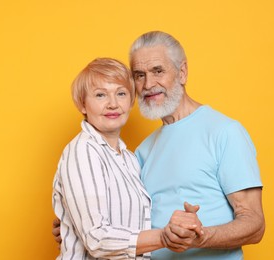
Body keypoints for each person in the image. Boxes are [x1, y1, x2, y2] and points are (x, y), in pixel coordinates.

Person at [54, 31, 265, 259]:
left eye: (158, 71)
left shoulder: (224, 132)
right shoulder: (140, 151)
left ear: (182, 72)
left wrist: (201, 236)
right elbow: (120, 216)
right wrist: (72, 221)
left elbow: (254, 223)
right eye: (139, 75)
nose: (148, 84)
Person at [52, 57, 202, 259]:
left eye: (121, 94)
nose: (113, 104)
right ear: (83, 104)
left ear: (131, 101)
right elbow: (97, 240)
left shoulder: (129, 159)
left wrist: (184, 224)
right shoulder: (83, 151)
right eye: (100, 95)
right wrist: (165, 236)